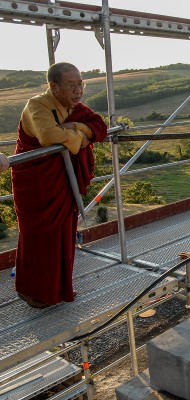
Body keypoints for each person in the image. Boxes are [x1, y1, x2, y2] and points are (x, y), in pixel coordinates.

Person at [11, 62, 107, 308]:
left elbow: (99, 126)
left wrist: (75, 126)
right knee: (39, 237)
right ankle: (33, 293)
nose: (78, 91)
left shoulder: (73, 109)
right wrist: (81, 139)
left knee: (63, 235)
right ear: (53, 87)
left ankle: (59, 290)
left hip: (63, 180)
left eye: (80, 85)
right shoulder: (37, 105)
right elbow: (48, 136)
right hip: (38, 183)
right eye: (71, 85)